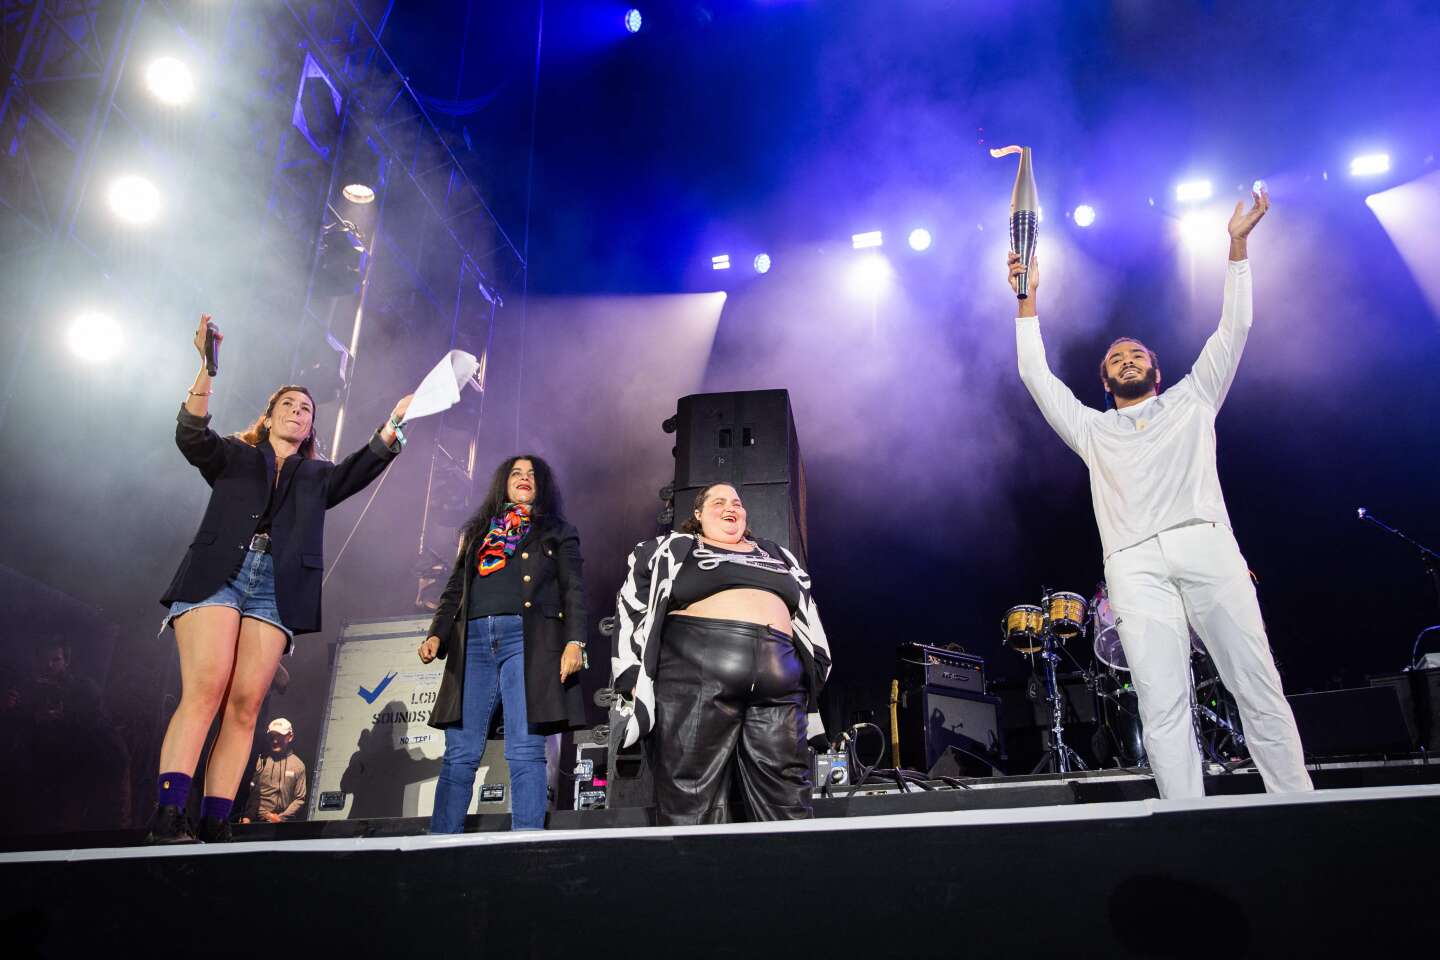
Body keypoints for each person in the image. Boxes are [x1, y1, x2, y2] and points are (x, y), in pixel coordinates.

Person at [1008, 188, 1311, 800]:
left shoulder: (1195, 399)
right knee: (1163, 702)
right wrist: (1028, 297)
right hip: (1134, 564)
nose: (1125, 359)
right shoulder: (1093, 430)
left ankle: (1300, 808)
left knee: (1255, 681)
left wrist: (1237, 244)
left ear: (1156, 369)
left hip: (1207, 547)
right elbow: (1034, 376)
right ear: (1104, 380)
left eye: (1136, 353)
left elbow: (1236, 327)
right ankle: (1187, 820)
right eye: (1115, 357)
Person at [149, 314, 411, 843]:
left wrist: (393, 424)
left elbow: (359, 468)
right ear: (268, 417)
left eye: (307, 409)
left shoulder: (317, 476)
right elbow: (190, 434)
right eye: (288, 405)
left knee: (246, 704)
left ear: (312, 427)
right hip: (218, 574)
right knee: (206, 688)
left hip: (276, 586)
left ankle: (216, 819)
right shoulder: (235, 455)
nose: (298, 412)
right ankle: (169, 813)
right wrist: (207, 368)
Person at [612, 483, 831, 824]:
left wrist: (811, 671)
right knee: (692, 796)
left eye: (737, 503)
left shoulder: (775, 554)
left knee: (788, 799)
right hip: (695, 671)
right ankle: (699, 875)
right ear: (697, 515)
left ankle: (790, 874)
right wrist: (629, 675)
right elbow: (631, 604)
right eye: (718, 502)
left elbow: (807, 614)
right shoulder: (670, 549)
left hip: (780, 681)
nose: (731, 507)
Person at [418, 456, 588, 832]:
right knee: (460, 751)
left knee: (525, 748)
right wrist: (437, 633)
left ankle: (526, 843)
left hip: (526, 641)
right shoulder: (479, 531)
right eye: (516, 473)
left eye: (531, 475)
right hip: (473, 642)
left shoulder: (558, 531)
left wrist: (575, 641)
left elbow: (574, 589)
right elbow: (454, 589)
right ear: (503, 483)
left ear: (541, 485)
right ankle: (439, 843)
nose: (524, 479)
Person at [240, 717, 307, 824]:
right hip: (256, 823)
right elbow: (249, 795)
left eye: (280, 736)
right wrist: (265, 815)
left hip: (284, 826)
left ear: (290, 737)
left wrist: (281, 818)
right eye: (272, 736)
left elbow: (300, 799)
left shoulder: (298, 765)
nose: (275, 741)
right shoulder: (259, 762)